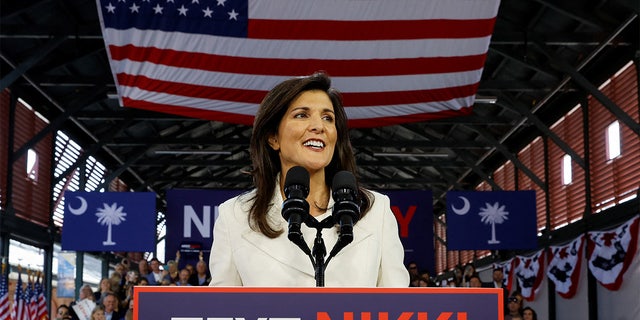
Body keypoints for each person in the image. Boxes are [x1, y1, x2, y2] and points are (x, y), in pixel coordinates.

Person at [208, 72, 409, 287]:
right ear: (273, 137)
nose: (319, 126)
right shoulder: (235, 216)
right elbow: (222, 309)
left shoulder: (376, 210)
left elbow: (398, 306)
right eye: (302, 115)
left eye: (327, 118)